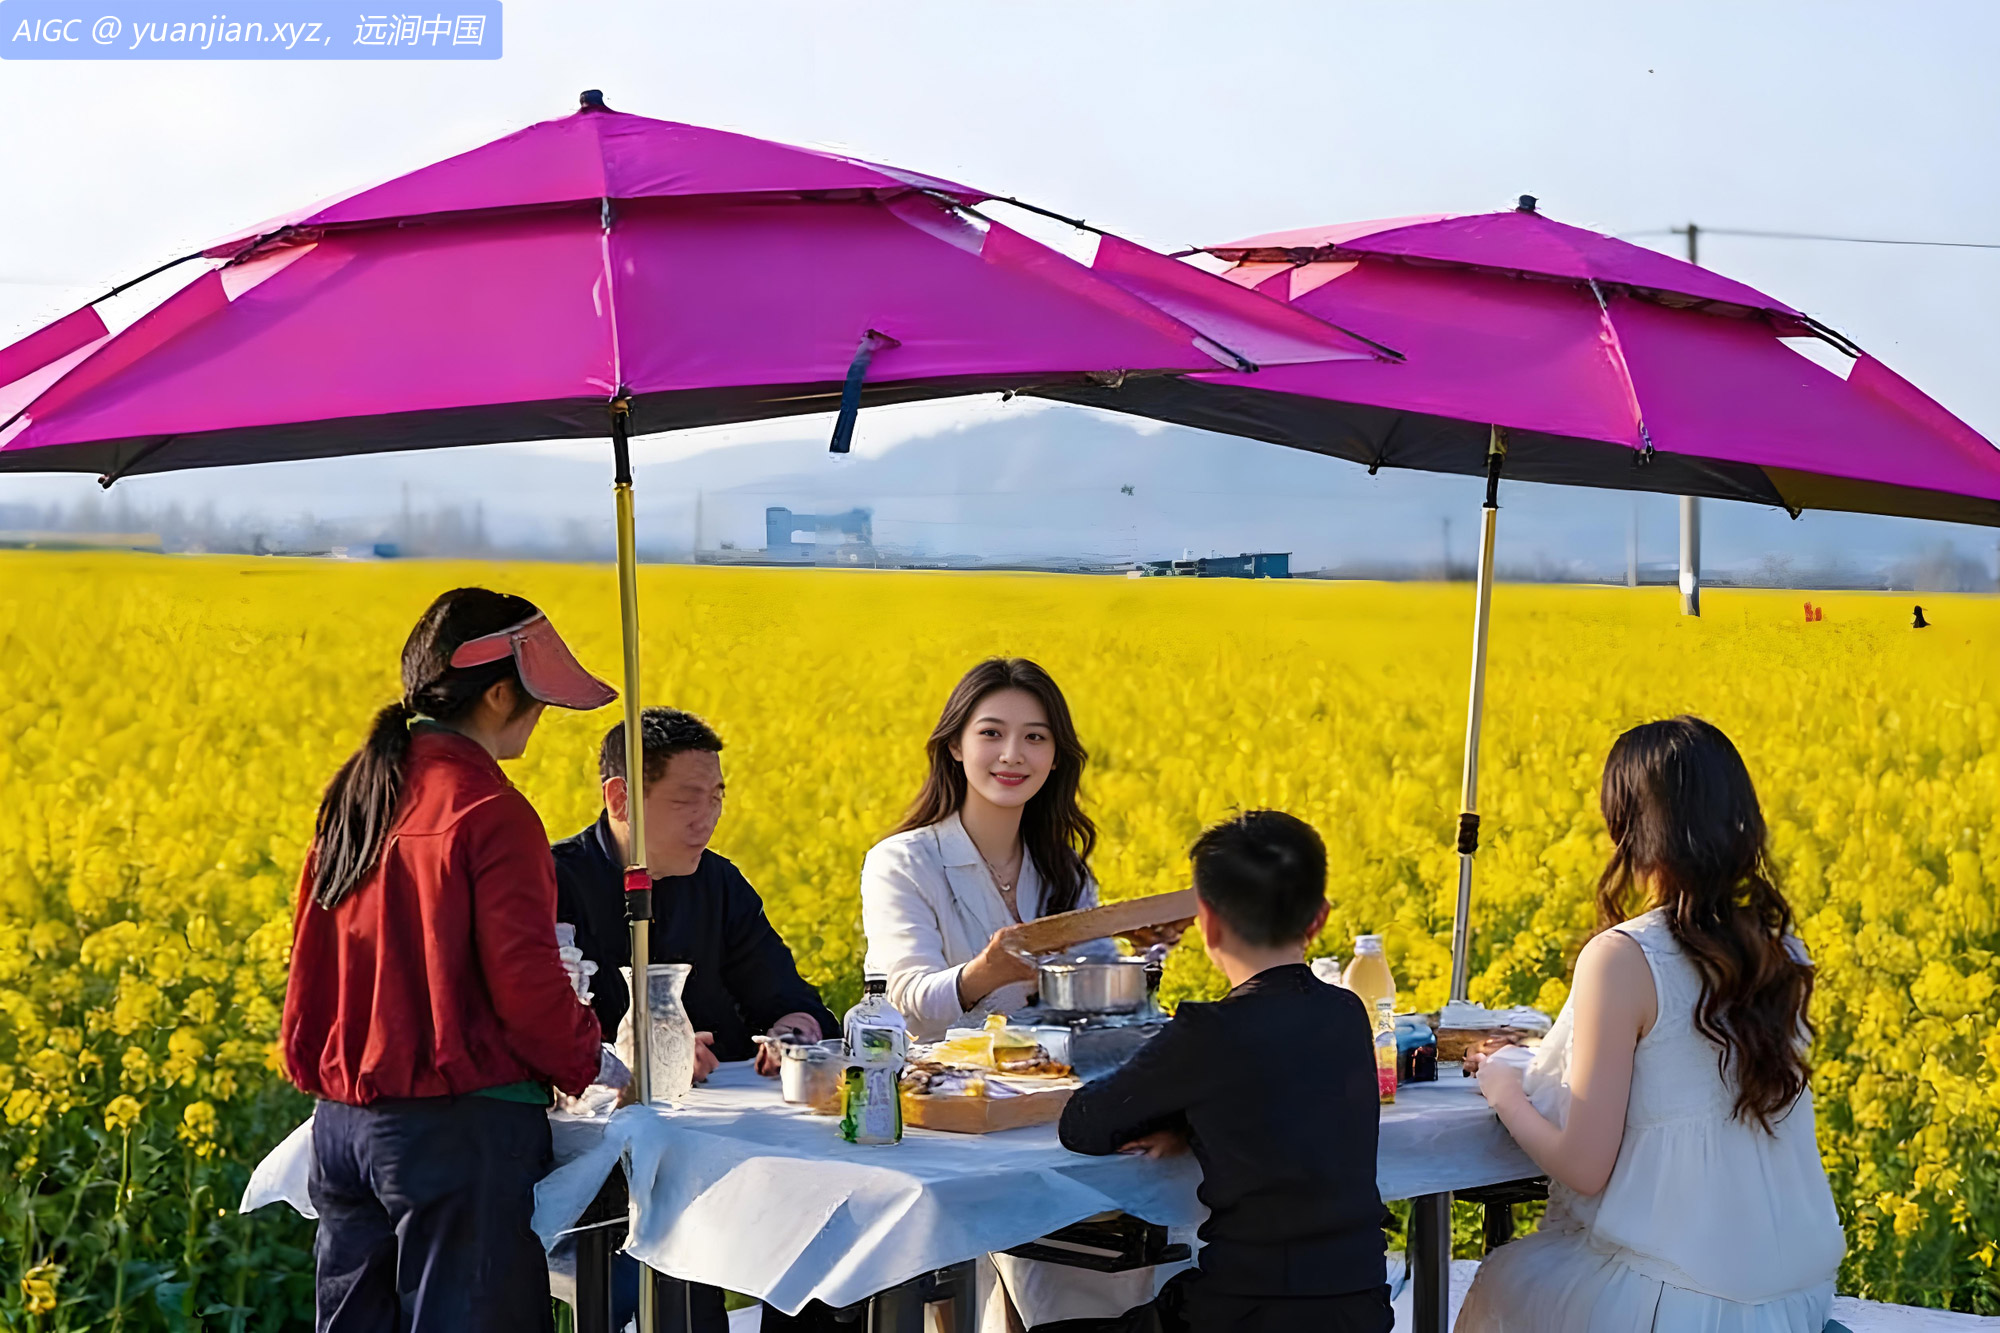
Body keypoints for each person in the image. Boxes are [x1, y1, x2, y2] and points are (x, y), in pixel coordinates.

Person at [281, 588, 621, 1333]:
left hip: (341, 1127)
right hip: (457, 1132)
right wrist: (589, 1055)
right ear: (500, 694)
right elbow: (527, 986)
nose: (540, 720)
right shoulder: (489, 809)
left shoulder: (356, 794)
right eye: (538, 703)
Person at [1457, 716, 1846, 1332]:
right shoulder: (1782, 949)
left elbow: (1584, 1164)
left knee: (1504, 1282)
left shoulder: (1624, 956)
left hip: (1682, 1305)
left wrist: (1502, 1088)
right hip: (1795, 1300)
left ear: (1630, 827)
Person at [858, 657, 1185, 1329]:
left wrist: (1148, 953)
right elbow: (907, 997)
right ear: (955, 745)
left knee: (1167, 1221)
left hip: (1053, 1104)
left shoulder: (1061, 864)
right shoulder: (903, 860)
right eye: (992, 733)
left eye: (1035, 737)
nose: (1013, 754)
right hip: (954, 1119)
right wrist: (987, 971)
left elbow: (1095, 1002)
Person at [1056, 810, 1392, 1333]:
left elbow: (1083, 1124)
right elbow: (1283, 1099)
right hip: (1360, 1308)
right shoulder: (1347, 1013)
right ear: (1319, 918)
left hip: (1244, 1312)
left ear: (1206, 921)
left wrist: (1181, 1119)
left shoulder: (1208, 1032)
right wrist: (1194, 1120)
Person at [553, 706, 837, 1077]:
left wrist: (793, 1033)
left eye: (716, 798)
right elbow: (539, 1030)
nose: (707, 820)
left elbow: (785, 995)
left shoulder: (720, 882)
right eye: (685, 800)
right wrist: (642, 1057)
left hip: (732, 1105)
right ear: (620, 800)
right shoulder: (551, 883)